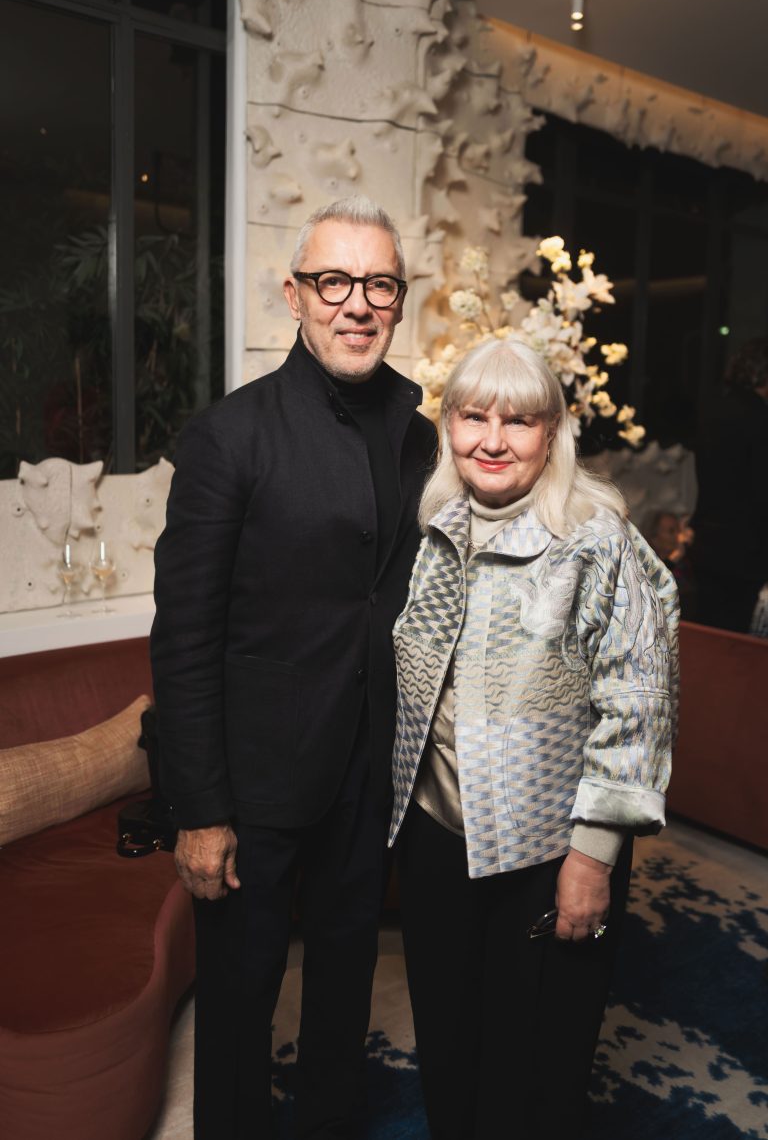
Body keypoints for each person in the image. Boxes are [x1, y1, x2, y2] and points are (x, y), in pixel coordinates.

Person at [150, 195, 437, 1140]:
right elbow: (184, 635)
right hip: (254, 788)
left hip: (364, 773)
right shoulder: (229, 437)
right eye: (334, 281)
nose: (357, 303)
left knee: (345, 987)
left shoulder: (416, 430)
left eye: (379, 284)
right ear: (296, 295)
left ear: (399, 300)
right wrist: (199, 810)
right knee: (238, 1009)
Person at [388, 338, 679, 1139]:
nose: (492, 439)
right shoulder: (432, 523)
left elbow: (639, 704)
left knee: (538, 1064)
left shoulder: (594, 537)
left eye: (518, 421)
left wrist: (592, 858)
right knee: (448, 1043)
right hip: (440, 837)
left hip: (549, 852)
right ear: (447, 425)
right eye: (473, 415)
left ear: (552, 433)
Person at [690, 336, 768, 633]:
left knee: (712, 635)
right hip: (745, 548)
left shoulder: (713, 411)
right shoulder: (759, 418)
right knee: (740, 643)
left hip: (708, 541)